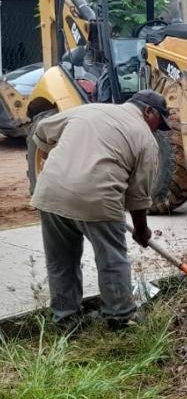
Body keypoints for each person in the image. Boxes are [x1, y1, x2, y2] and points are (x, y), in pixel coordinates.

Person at [30, 90, 171, 331]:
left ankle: (66, 321)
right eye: (160, 123)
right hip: (98, 197)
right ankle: (121, 317)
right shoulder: (145, 139)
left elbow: (42, 130)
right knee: (112, 259)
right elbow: (138, 197)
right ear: (148, 112)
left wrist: (57, 157)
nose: (158, 131)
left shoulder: (89, 109)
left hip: (50, 192)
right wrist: (141, 230)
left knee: (61, 262)